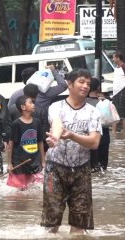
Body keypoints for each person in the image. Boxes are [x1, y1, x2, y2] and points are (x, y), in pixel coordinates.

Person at [41, 69, 102, 234]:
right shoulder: (55, 107)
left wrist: (72, 136)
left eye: (88, 84)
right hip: (55, 168)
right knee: (51, 222)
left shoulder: (93, 112)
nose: (85, 86)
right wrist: (55, 137)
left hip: (81, 170)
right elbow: (57, 123)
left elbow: (95, 142)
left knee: (80, 223)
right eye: (81, 82)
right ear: (69, 84)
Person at [7, 95, 45, 190]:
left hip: (34, 161)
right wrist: (9, 163)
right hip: (19, 162)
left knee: (37, 188)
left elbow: (40, 142)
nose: (33, 104)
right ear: (23, 107)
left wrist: (43, 161)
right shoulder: (16, 124)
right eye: (30, 103)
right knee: (20, 190)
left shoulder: (37, 122)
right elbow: (11, 144)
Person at [86, 77, 110, 172]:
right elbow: (110, 120)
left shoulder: (82, 103)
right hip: (103, 133)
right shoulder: (104, 103)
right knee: (102, 167)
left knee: (91, 166)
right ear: (98, 88)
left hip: (88, 135)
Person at [111, 51, 125, 134]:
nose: (113, 59)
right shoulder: (116, 67)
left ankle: (123, 133)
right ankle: (113, 132)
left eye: (113, 57)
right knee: (114, 112)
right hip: (115, 92)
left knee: (123, 114)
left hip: (122, 91)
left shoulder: (124, 66)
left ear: (118, 58)